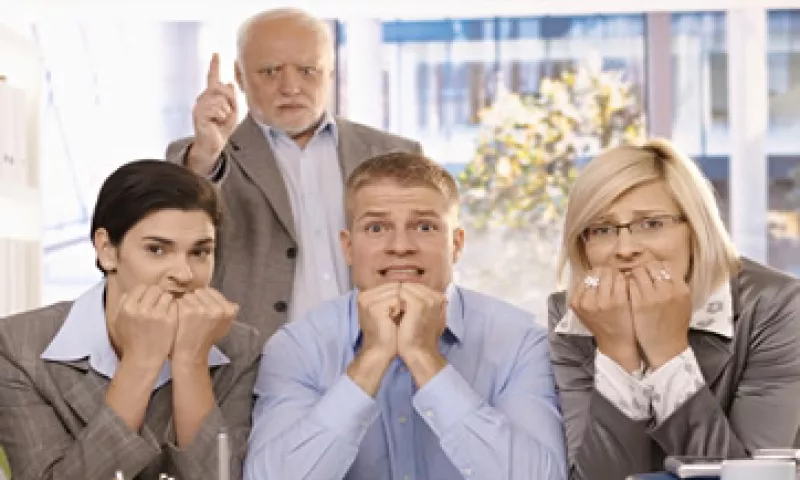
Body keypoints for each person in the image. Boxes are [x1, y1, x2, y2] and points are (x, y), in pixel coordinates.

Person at [243, 152, 567, 480]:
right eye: (376, 227)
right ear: (348, 247)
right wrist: (372, 359)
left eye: (424, 226)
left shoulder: (521, 341)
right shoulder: (297, 346)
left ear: (456, 244)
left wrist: (425, 358)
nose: (400, 246)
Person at [548, 139, 800, 479]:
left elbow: (756, 476)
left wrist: (668, 354)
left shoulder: (775, 305)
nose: (625, 249)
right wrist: (617, 356)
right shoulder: (572, 317)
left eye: (651, 224)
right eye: (602, 230)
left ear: (696, 228)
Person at [166, 8, 422, 341]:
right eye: (270, 72)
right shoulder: (203, 155)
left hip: (376, 359)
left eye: (307, 71)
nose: (290, 87)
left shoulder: (394, 153)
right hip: (255, 369)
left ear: (330, 72)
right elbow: (176, 222)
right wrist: (207, 155)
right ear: (240, 77)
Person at [0, 160, 261, 480]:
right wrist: (141, 361)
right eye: (157, 250)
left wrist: (191, 361)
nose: (183, 274)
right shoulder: (18, 347)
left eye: (200, 252)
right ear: (107, 249)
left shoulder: (240, 348)